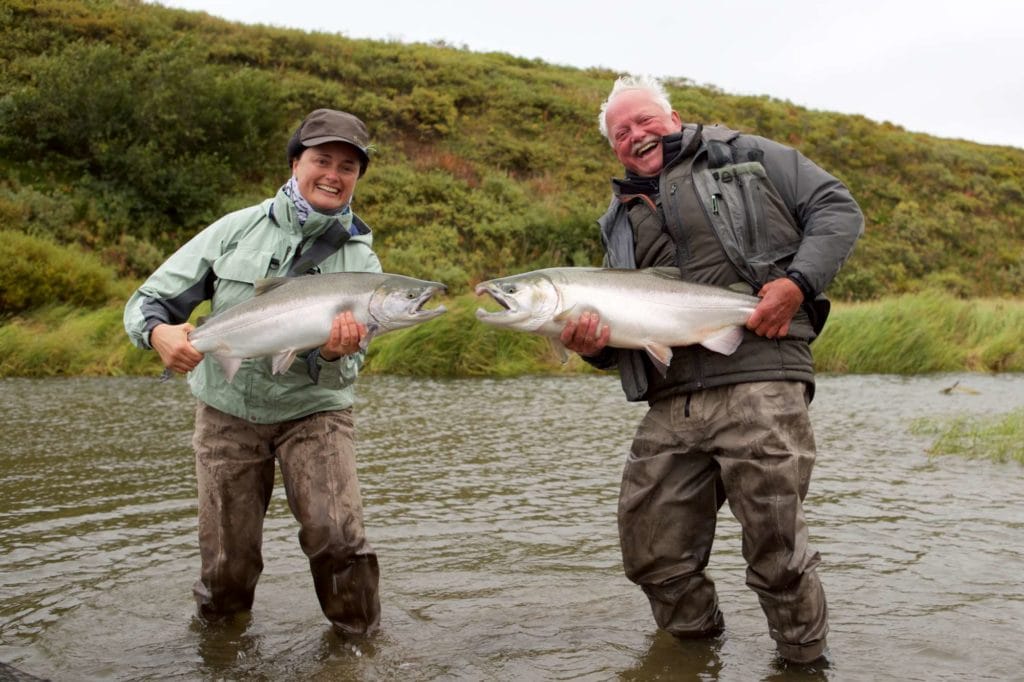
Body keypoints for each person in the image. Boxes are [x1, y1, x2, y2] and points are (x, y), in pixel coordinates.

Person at [560, 76, 863, 665]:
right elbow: (622, 335)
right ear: (613, 149)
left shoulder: (748, 153)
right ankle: (696, 657)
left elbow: (836, 208)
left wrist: (798, 284)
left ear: (673, 116)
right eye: (621, 132)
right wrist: (591, 346)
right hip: (670, 399)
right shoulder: (617, 221)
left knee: (777, 552)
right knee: (651, 553)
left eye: (644, 120)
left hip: (760, 375)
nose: (635, 135)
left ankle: (804, 668)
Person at [124, 108, 383, 636]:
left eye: (348, 166)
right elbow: (150, 299)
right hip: (227, 410)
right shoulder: (234, 230)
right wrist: (158, 334)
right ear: (295, 163)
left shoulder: (362, 263)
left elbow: (347, 369)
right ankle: (219, 653)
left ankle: (359, 650)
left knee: (339, 540)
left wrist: (334, 354)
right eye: (322, 160)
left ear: (357, 178)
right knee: (227, 561)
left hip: (316, 414)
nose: (334, 174)